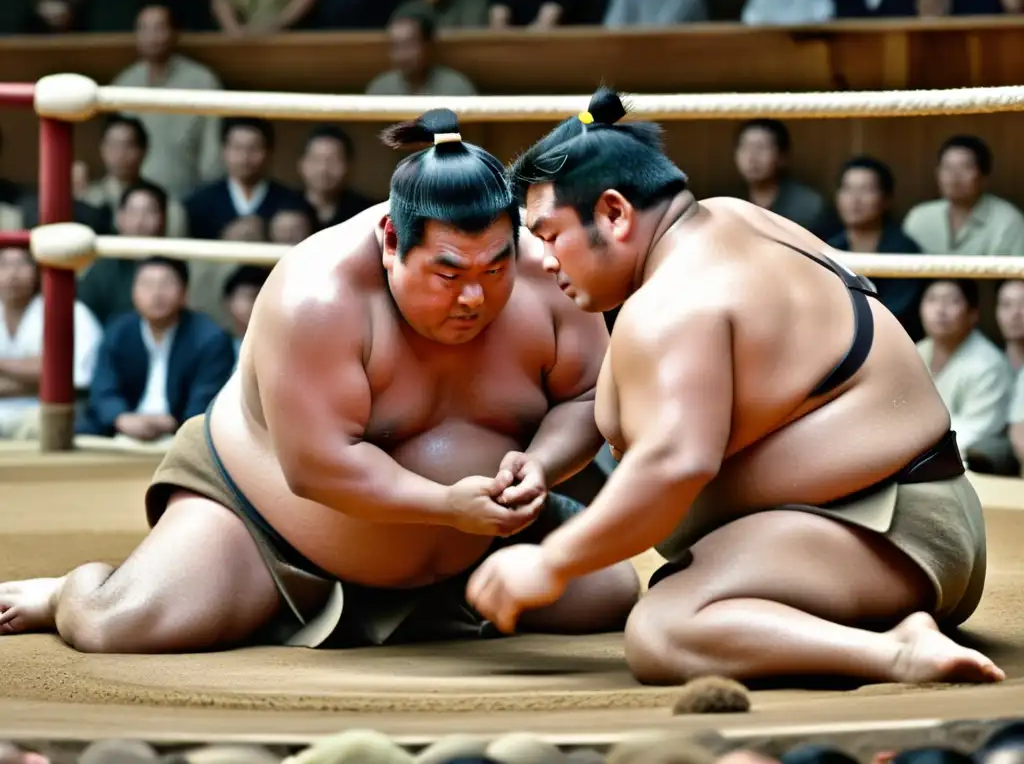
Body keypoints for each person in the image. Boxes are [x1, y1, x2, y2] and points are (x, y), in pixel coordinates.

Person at [0, 109, 639, 652]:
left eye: (495, 268)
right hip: (272, 535)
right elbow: (318, 468)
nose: (475, 295)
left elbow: (588, 396)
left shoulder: (545, 272)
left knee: (610, 594)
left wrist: (538, 467)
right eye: (448, 274)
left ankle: (442, 600)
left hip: (481, 546)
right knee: (116, 625)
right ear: (392, 241)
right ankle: (63, 591)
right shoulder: (317, 295)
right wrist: (446, 506)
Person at [467, 87, 1004, 687]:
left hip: (891, 530)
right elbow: (633, 410)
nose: (542, 260)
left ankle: (897, 652)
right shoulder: (730, 222)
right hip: (915, 516)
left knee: (665, 628)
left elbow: (674, 463)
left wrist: (551, 562)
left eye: (549, 234)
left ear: (614, 214)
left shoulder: (677, 299)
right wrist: (543, 464)